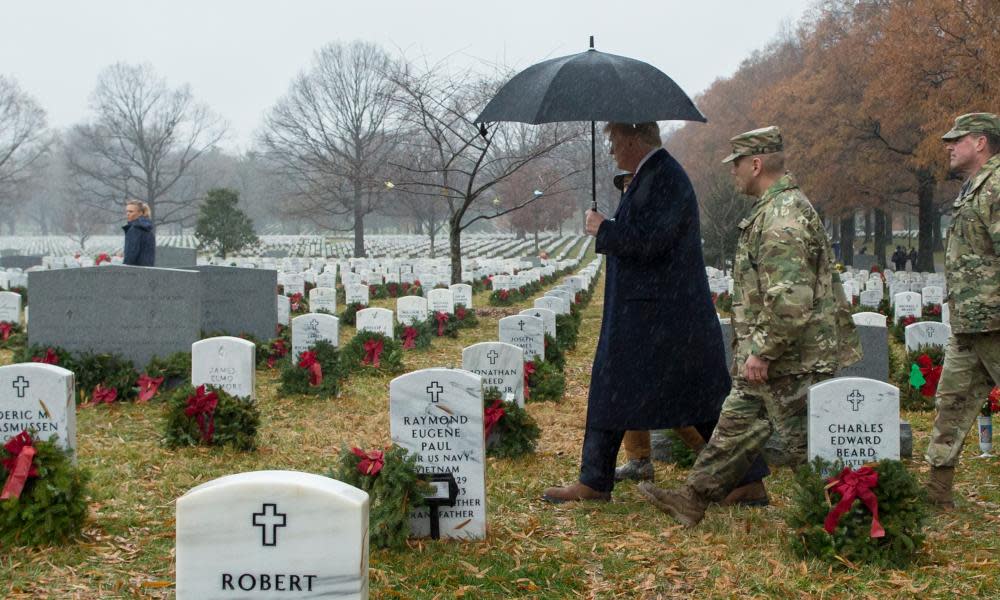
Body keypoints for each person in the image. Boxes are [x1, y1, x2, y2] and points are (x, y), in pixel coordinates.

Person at [638, 126, 861, 526]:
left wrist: (763, 351)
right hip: (774, 356)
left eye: (737, 164)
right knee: (734, 429)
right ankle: (692, 499)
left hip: (790, 358)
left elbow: (790, 300)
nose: (733, 172)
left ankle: (848, 517)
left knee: (807, 448)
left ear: (756, 164)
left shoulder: (782, 218)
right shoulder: (774, 210)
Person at [542, 122, 758, 503]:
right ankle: (594, 480)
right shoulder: (650, 176)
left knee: (702, 399)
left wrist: (604, 230)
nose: (610, 149)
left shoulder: (666, 177)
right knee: (614, 391)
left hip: (665, 316)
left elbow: (654, 242)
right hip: (649, 313)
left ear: (632, 139)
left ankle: (747, 481)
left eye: (612, 140)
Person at [610, 171, 769, 505]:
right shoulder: (632, 213)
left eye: (632, 184)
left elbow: (653, 251)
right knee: (639, 392)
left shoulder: (660, 211)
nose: (628, 190)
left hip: (669, 320)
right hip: (643, 319)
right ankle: (641, 459)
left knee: (688, 398)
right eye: (624, 186)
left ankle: (728, 466)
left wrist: (606, 231)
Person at [925, 112, 1000, 508]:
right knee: (950, 402)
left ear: (982, 142)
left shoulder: (997, 186)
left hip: (996, 321)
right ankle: (937, 493)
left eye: (958, 140)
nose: (949, 146)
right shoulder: (974, 188)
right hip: (971, 323)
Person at [123, 199, 156, 266]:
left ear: (140, 213)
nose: (128, 214)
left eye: (131, 211)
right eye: (127, 211)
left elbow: (131, 255)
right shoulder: (147, 228)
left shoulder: (135, 229)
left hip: (135, 272)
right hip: (147, 271)